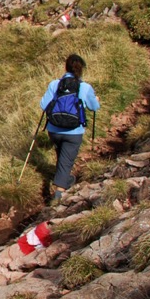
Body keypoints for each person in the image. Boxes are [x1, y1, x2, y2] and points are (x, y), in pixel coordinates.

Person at [39, 54, 101, 203]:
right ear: (81, 69)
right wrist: (96, 100)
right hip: (74, 131)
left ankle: (65, 178)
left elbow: (43, 105)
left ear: (65, 67)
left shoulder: (55, 85)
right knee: (66, 160)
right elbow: (94, 107)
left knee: (62, 156)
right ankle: (59, 193)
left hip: (54, 129)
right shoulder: (85, 87)